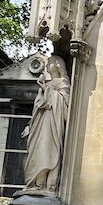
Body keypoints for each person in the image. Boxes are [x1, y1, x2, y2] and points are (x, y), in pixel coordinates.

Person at [20, 55, 70, 194]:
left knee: (46, 151)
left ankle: (43, 184)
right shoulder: (46, 83)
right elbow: (37, 107)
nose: (48, 64)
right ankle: (34, 183)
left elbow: (65, 106)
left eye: (51, 62)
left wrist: (47, 91)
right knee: (36, 153)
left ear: (59, 65)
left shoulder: (62, 83)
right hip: (40, 124)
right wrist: (29, 125)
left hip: (52, 124)